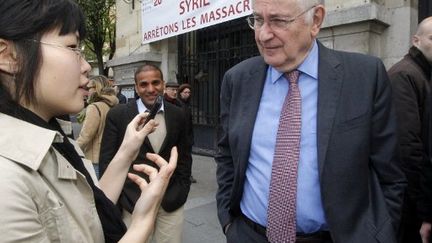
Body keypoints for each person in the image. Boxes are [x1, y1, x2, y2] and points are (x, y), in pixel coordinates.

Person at [215, 0, 407, 243]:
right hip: (248, 234)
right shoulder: (237, 79)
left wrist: (379, 234)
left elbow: (390, 174)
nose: (263, 34)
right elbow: (226, 155)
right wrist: (229, 223)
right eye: (258, 20)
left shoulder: (365, 76)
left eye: (278, 21)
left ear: (315, 20)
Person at [0, 0, 178, 242]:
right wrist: (142, 222)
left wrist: (128, 149)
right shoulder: (7, 180)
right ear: (9, 56)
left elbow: (89, 208)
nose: (85, 67)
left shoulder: (57, 139)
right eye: (72, 47)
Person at [100, 64, 192, 243]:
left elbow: (185, 156)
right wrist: (116, 203)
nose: (150, 89)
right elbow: (107, 161)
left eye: (155, 82)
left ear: (163, 84)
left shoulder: (179, 114)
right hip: (132, 201)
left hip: (170, 201)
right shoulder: (118, 115)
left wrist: (182, 189)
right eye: (143, 84)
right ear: (136, 87)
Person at [387, 16, 432, 243]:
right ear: (416, 40)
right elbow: (407, 146)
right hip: (408, 202)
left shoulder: (422, 74)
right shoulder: (405, 74)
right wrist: (422, 208)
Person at [77, 75, 119, 178]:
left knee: (94, 191)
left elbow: (86, 135)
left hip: (94, 158)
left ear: (97, 88)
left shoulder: (94, 107)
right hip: (110, 155)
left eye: (88, 88)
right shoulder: (113, 105)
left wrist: (73, 149)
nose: (87, 92)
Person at [177, 83, 197, 183]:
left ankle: (188, 175)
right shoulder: (178, 104)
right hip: (181, 137)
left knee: (187, 158)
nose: (187, 94)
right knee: (182, 158)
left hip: (188, 137)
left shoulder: (187, 105)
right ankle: (184, 175)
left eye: (189, 92)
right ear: (180, 93)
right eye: (185, 92)